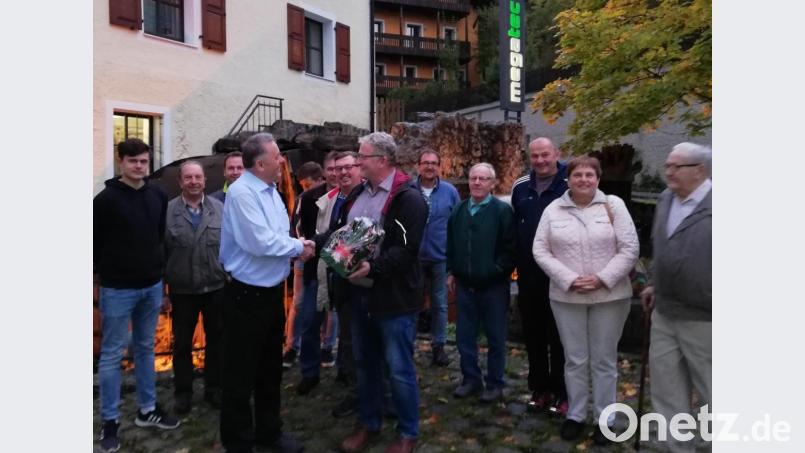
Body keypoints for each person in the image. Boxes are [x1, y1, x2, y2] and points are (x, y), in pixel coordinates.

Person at [331, 132, 428, 453]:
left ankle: (407, 433)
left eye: (363, 157)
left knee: (399, 369)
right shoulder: (359, 193)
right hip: (359, 295)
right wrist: (318, 247)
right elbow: (344, 235)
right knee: (365, 364)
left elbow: (407, 250)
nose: (357, 162)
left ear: (383, 160)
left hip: (394, 299)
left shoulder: (409, 198)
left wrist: (373, 268)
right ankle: (369, 423)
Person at [532, 156, 639, 445]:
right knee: (575, 358)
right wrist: (568, 278)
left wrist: (602, 278)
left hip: (609, 296)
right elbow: (540, 250)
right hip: (567, 297)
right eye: (577, 174)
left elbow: (630, 248)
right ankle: (576, 415)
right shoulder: (553, 209)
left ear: (598, 179)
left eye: (589, 175)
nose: (583, 179)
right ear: (567, 179)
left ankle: (606, 419)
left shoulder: (613, 206)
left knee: (604, 360)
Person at [218, 132, 314, 453]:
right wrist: (298, 247)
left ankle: (269, 433)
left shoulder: (271, 191)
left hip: (272, 294)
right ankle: (239, 443)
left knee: (269, 370)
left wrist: (295, 245)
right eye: (277, 157)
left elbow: (277, 235)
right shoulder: (242, 193)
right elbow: (259, 242)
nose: (282, 161)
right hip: (246, 297)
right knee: (239, 375)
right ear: (260, 164)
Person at [94, 138, 180, 453]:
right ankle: (110, 421)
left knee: (145, 349)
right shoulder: (104, 200)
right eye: (133, 161)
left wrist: (161, 279)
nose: (139, 166)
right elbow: (93, 243)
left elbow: (158, 238)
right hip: (117, 288)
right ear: (121, 162)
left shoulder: (158, 195)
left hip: (151, 285)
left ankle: (147, 409)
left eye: (144, 161)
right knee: (112, 355)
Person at [641, 143, 712, 452]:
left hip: (706, 318)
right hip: (665, 312)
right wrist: (653, 283)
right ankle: (678, 447)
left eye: (676, 166)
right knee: (667, 389)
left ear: (699, 170)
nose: (668, 172)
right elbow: (662, 247)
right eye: (667, 165)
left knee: (713, 391)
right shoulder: (666, 198)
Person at [446, 163, 516, 404]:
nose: (477, 182)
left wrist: (495, 271)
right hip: (465, 285)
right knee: (464, 337)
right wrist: (451, 271)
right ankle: (471, 379)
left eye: (483, 179)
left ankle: (495, 383)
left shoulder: (502, 211)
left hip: (493, 286)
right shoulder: (459, 210)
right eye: (473, 178)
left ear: (492, 183)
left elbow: (510, 249)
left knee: (495, 337)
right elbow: (451, 244)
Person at [510, 137, 569, 414]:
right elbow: (515, 226)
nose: (540, 160)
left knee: (560, 336)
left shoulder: (570, 183)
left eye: (545, 154)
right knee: (533, 334)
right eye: (535, 156)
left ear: (556, 153)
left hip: (561, 274)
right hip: (529, 273)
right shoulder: (521, 186)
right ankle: (539, 388)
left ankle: (562, 391)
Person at [164, 160, 227, 414]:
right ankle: (183, 392)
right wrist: (163, 290)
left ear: (204, 180)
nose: (193, 182)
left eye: (198, 177)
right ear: (180, 181)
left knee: (217, 341)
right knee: (182, 345)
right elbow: (161, 252)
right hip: (183, 290)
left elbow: (230, 247)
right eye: (188, 177)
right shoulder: (167, 212)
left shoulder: (219, 209)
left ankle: (214, 389)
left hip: (215, 287)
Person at [316, 151, 363, 418]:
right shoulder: (336, 200)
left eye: (349, 167)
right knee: (347, 334)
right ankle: (349, 381)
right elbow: (333, 235)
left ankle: (362, 393)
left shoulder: (365, 198)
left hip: (362, 279)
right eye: (338, 169)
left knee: (358, 338)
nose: (343, 173)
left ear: (360, 168)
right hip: (340, 279)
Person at [414, 148, 460, 367]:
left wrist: (454, 261)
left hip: (440, 256)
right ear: (418, 166)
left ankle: (438, 346)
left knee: (440, 304)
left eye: (433, 163)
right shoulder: (409, 190)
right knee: (412, 302)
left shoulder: (449, 192)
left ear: (439, 166)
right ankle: (408, 344)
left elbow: (457, 224)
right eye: (425, 162)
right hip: (413, 258)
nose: (429, 166)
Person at [283, 161, 325, 369]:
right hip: (304, 256)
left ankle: (327, 346)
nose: (305, 190)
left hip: (325, 257)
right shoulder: (302, 200)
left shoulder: (332, 198)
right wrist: (298, 248)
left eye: (308, 185)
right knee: (299, 303)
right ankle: (292, 346)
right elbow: (295, 226)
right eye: (303, 186)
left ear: (320, 180)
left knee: (329, 306)